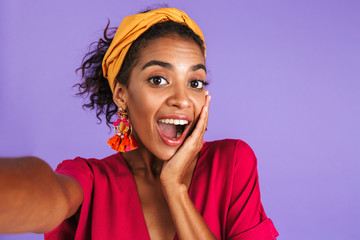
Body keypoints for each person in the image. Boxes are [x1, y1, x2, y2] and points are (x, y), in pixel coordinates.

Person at [0, 7, 279, 240]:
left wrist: (174, 187)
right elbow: (50, 194)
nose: (182, 99)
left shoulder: (231, 164)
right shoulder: (91, 181)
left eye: (195, 83)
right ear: (122, 95)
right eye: (158, 79)